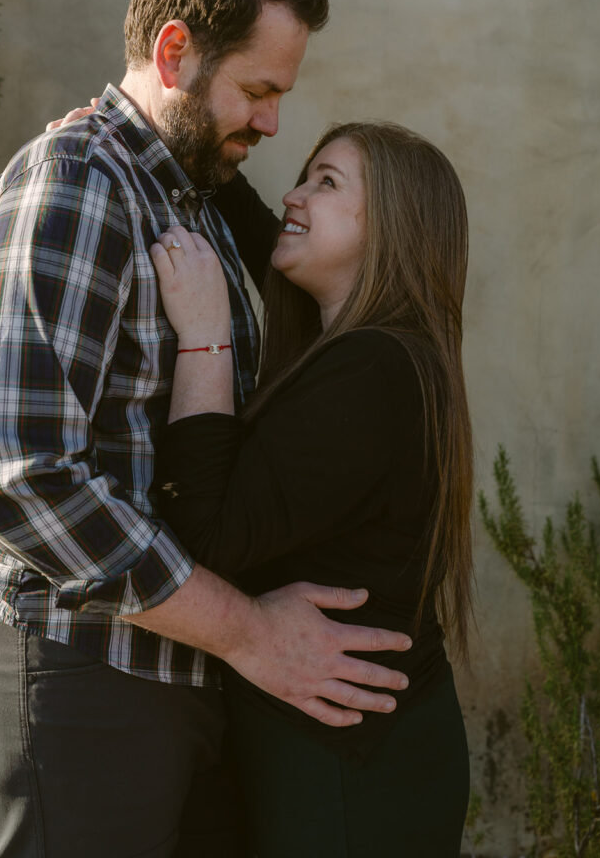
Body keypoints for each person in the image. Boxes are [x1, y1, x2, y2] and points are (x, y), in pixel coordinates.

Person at [0, 0, 412, 858]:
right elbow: (18, 476)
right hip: (79, 687)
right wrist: (250, 630)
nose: (271, 124)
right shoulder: (77, 183)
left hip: (174, 687)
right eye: (257, 91)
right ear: (174, 52)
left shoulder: (190, 200)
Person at [150, 120, 474, 857]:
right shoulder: (379, 356)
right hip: (331, 750)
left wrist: (204, 334)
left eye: (326, 182)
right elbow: (266, 223)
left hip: (350, 775)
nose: (296, 195)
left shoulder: (374, 371)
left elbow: (202, 539)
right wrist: (145, 131)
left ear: (391, 223)